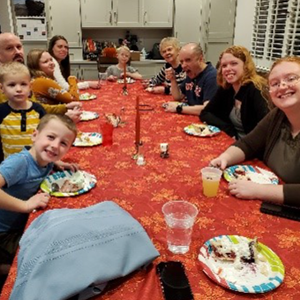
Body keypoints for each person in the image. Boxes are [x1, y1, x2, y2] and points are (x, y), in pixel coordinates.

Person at [210, 56, 300, 208]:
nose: (282, 86)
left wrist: (260, 190)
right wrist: (225, 158)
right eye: (275, 83)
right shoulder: (277, 115)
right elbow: (249, 144)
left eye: (291, 79)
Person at [0, 114, 78, 276]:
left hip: (22, 225)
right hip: (4, 235)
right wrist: (25, 205)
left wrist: (55, 162)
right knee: (49, 260)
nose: (55, 146)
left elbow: (46, 155)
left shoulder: (46, 159)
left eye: (63, 143)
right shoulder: (19, 163)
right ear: (34, 135)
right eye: (50, 137)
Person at [0, 32, 82, 121]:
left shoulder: (20, 76)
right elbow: (18, 123)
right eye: (9, 48)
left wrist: (64, 108)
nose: (17, 52)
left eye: (19, 47)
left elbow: (35, 107)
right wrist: (62, 119)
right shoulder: (3, 83)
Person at [200, 46, 270, 139]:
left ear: (245, 65)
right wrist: (229, 130)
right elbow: (205, 113)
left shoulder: (255, 89)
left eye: (234, 64)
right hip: (233, 141)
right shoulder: (227, 88)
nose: (228, 69)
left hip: (253, 147)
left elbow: (265, 129)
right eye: (224, 66)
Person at [0, 62, 45, 159]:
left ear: (30, 86)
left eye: (23, 84)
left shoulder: (39, 110)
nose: (19, 89)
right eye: (12, 85)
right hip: (9, 167)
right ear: (2, 88)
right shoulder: (1, 112)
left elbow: (46, 138)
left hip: (36, 163)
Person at [164, 42, 217, 115]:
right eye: (181, 62)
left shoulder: (212, 76)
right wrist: (173, 79)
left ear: (200, 59)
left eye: (188, 60)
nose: (183, 65)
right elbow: (178, 96)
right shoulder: (192, 73)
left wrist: (179, 108)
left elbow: (207, 109)